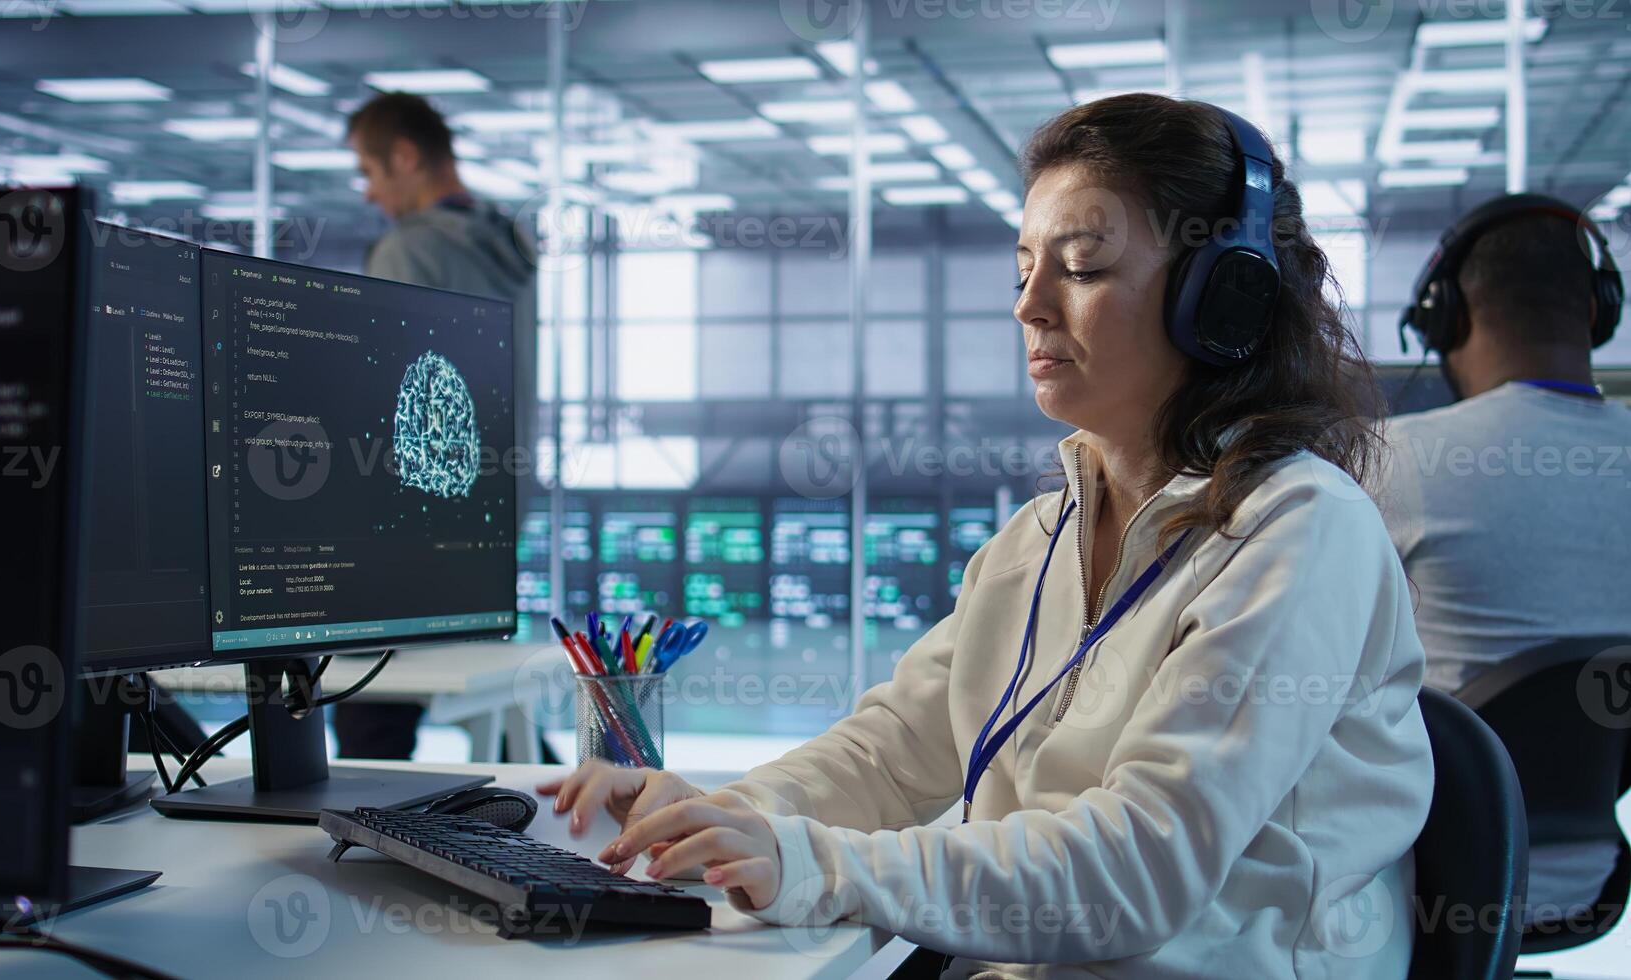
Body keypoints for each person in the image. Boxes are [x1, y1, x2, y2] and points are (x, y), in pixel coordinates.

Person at [540, 95, 1435, 979]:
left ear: (1223, 300)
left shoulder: (1298, 532)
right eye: (1023, 271)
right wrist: (724, 815)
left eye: (1081, 268)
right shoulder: (1039, 538)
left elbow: (1140, 869)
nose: (1029, 308)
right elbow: (895, 751)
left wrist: (812, 861)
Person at [1374, 193, 1630, 923]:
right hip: (1588, 876)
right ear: (1596, 312)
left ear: (1447, 316)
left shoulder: (1397, 460)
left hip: (1405, 887)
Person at [333, 91, 537, 760]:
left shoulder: (410, 251)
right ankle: (555, 800)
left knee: (362, 699)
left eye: (369, 171)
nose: (368, 193)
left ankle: (360, 815)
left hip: (423, 517)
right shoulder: (507, 248)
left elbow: (385, 397)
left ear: (405, 156)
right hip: (495, 511)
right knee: (492, 709)